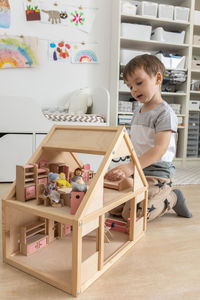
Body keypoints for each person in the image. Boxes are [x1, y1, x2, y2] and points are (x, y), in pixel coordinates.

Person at [105, 54, 192, 222]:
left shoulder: (164, 113)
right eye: (130, 86)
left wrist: (130, 167)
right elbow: (134, 140)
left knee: (135, 215)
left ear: (157, 78)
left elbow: (160, 149)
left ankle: (172, 198)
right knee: (114, 208)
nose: (134, 89)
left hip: (158, 174)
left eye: (139, 83)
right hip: (139, 170)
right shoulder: (138, 112)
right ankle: (148, 197)